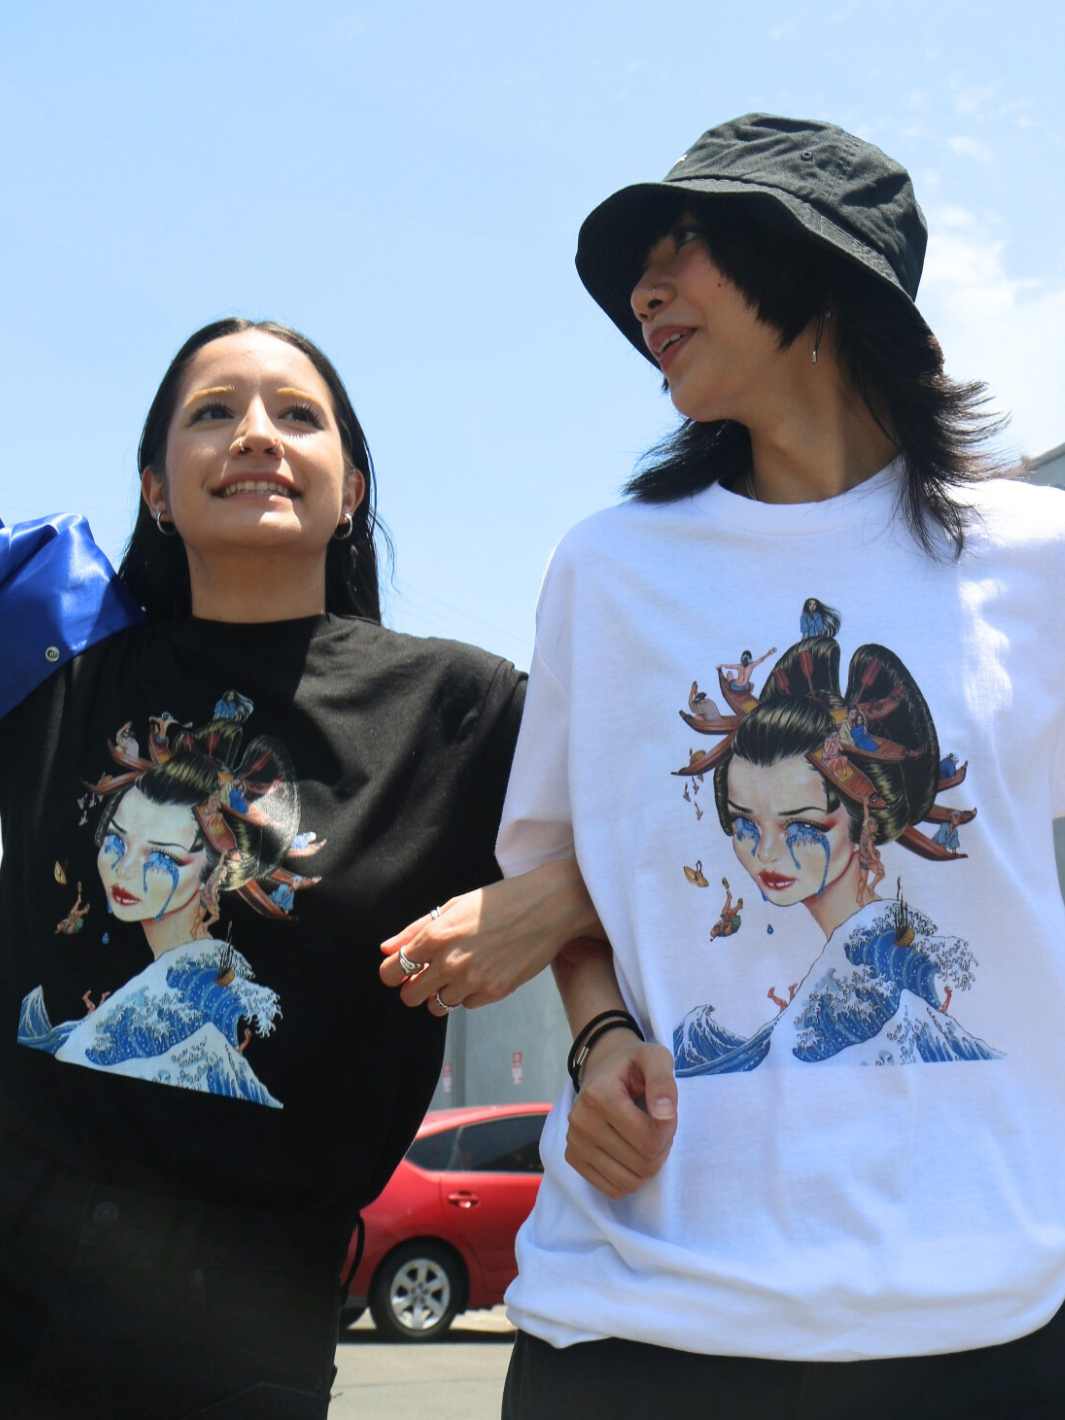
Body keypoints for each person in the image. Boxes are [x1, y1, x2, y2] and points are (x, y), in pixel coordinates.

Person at [471, 114, 1065, 1417]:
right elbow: (556, 885)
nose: (644, 293)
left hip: (989, 1315)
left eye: (684, 244)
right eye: (637, 269)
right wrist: (601, 1039)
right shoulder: (610, 569)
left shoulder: (1037, 559)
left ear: (820, 274)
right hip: (639, 1314)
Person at [0, 317, 600, 1420]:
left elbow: (674, 836)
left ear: (352, 488)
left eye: (296, 414)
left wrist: (555, 900)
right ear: (155, 489)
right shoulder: (53, 683)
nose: (256, 435)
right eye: (213, 412)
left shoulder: (457, 712)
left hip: (253, 1309)